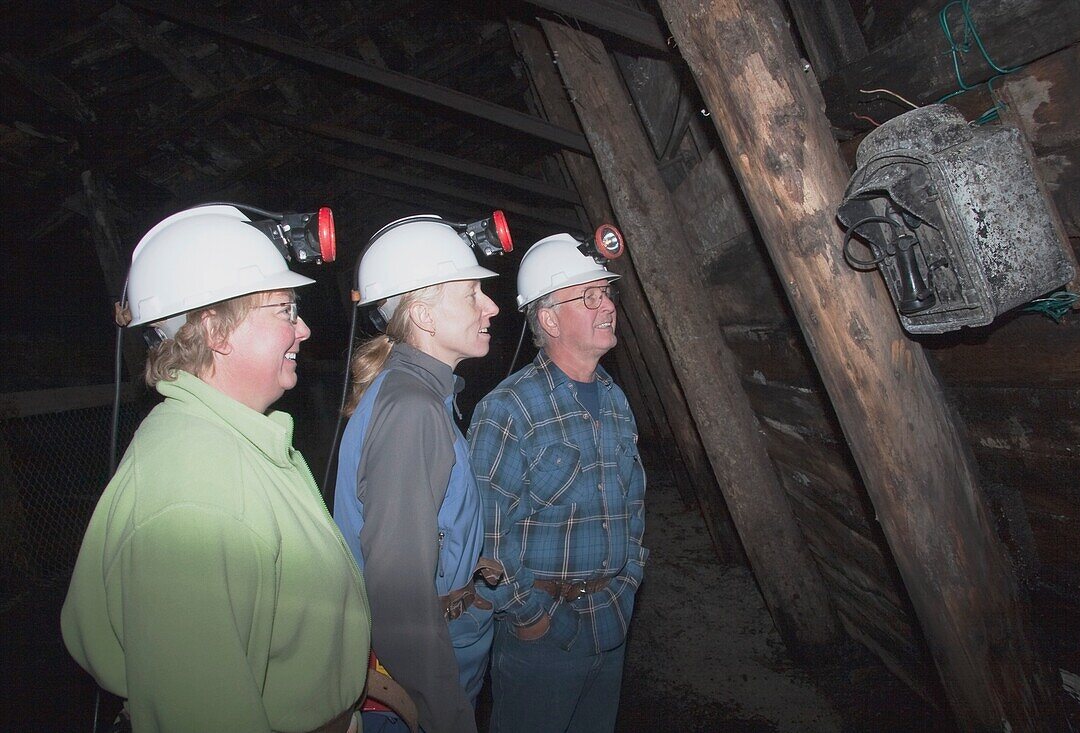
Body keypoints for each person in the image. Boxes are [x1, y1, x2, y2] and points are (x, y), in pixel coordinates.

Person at [61, 205, 371, 733]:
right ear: (216, 331)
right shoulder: (194, 496)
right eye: (285, 310)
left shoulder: (235, 439)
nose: (305, 328)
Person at [468, 233, 648, 733]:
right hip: (544, 638)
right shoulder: (508, 409)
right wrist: (531, 616)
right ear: (548, 319)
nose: (605, 306)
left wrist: (631, 575)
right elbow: (485, 533)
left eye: (606, 294)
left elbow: (632, 503)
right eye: (587, 297)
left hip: (612, 617)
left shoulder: (615, 399)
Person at [333, 216, 502, 733]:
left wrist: (463, 558)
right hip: (418, 673)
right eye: (472, 293)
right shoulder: (412, 408)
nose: (490, 305)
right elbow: (400, 591)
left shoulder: (418, 392)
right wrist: (446, 715)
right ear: (424, 316)